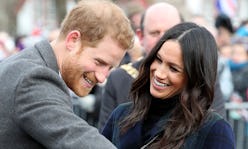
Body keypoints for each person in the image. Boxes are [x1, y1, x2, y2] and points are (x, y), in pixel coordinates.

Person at [0, 0, 134, 148]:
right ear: (73, 40)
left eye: (110, 68)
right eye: (99, 62)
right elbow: (77, 137)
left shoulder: (26, 64)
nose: (102, 77)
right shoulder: (32, 78)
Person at [102, 22, 235, 149]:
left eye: (173, 68)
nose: (159, 73)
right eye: (158, 59)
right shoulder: (122, 115)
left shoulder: (214, 130)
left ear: (194, 77)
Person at [98, 2, 226, 130]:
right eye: (155, 33)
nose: (164, 39)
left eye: (173, 33)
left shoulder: (203, 79)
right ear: (141, 36)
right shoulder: (120, 78)